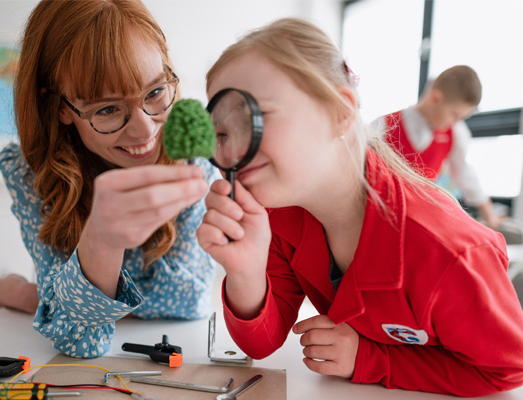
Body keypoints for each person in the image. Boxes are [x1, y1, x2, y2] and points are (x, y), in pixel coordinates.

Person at [197, 18, 523, 396]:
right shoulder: (280, 213)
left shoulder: (449, 253)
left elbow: (507, 370)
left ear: (338, 112)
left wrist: (370, 359)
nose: (236, 150)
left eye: (256, 117)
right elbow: (261, 344)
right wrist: (245, 271)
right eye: (221, 134)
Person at [0, 0, 218, 358]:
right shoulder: (29, 172)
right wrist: (103, 243)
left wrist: (38, 297)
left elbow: (192, 301)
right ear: (60, 107)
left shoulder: (192, 157)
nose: (145, 130)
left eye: (155, 92)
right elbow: (80, 341)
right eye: (107, 109)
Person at [376, 65, 504, 229]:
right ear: (435, 98)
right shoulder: (383, 127)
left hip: (424, 220)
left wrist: (488, 213)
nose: (457, 122)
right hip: (387, 217)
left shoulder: (456, 133)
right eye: (455, 115)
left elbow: (464, 173)